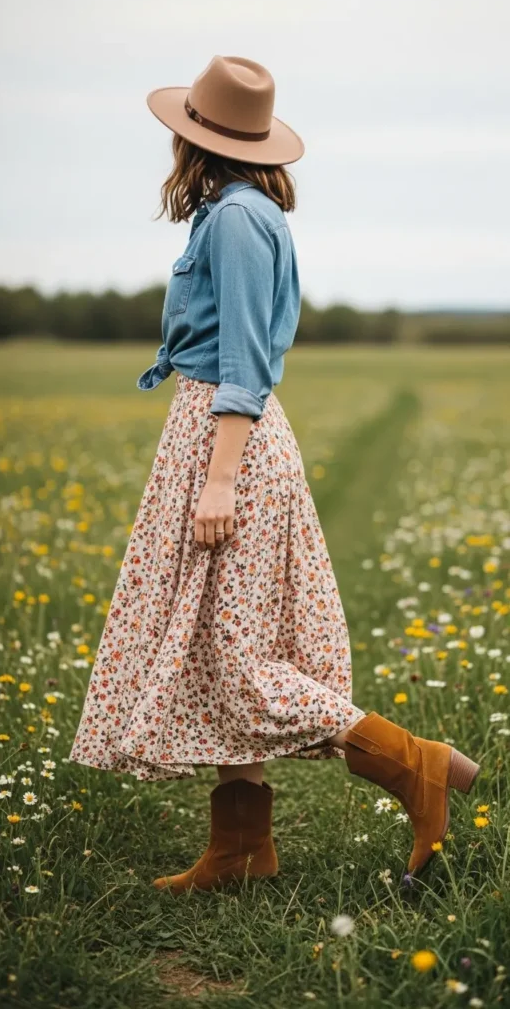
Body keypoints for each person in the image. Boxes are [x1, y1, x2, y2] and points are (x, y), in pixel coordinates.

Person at [69, 55, 480, 893]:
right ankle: (241, 852)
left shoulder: (235, 221)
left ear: (193, 142)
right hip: (217, 436)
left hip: (229, 443)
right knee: (217, 644)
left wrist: (218, 481)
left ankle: (418, 766)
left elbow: (245, 362)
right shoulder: (229, 213)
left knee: (239, 657)